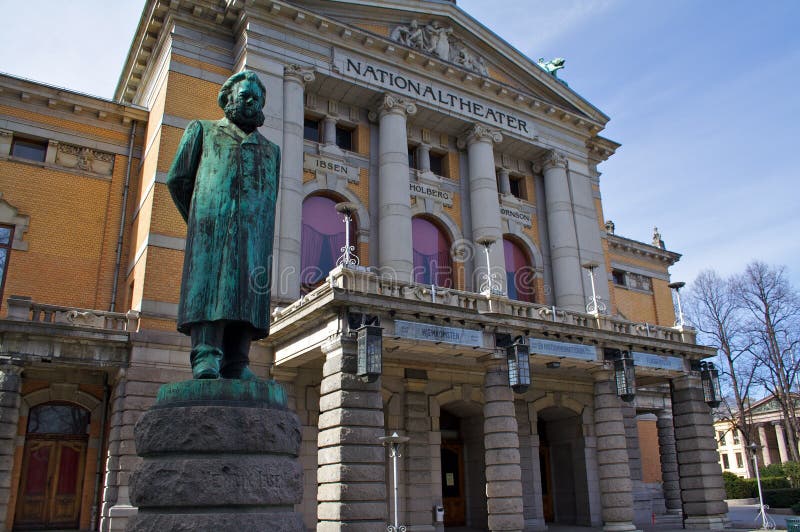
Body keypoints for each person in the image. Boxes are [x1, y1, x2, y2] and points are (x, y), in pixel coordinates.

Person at [166, 70, 280, 380]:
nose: (250, 103)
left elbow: (270, 197)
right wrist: (201, 221)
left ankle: (237, 362)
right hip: (211, 230)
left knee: (246, 294)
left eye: (256, 99)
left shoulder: (271, 151)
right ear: (227, 99)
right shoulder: (202, 131)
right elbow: (178, 180)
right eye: (244, 96)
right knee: (212, 288)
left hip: (254, 235)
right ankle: (205, 357)